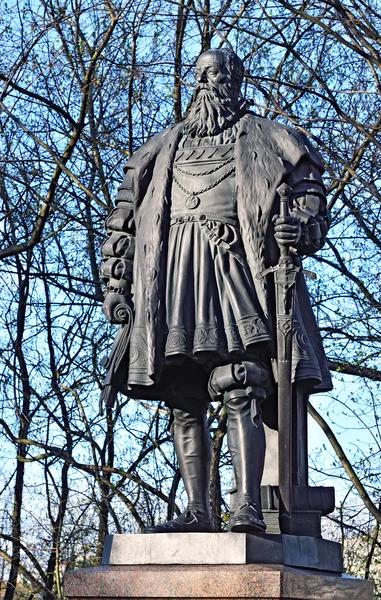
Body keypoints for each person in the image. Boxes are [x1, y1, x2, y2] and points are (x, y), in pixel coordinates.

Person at [100, 48, 332, 534]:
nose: (208, 82)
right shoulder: (161, 148)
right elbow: (122, 221)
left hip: (236, 268)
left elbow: (311, 193)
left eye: (218, 74)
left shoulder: (271, 138)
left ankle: (247, 504)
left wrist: (300, 225)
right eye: (201, 74)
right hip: (171, 276)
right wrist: (117, 286)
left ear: (236, 78)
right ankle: (197, 511)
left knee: (241, 380)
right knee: (183, 393)